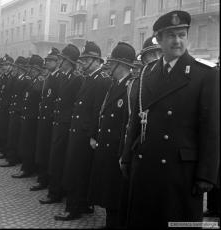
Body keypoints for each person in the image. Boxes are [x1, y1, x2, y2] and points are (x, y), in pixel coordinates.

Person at [120, 10, 219, 228]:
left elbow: (211, 129)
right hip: (146, 167)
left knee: (178, 223)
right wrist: (127, 155)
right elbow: (137, 119)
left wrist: (207, 175)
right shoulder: (148, 72)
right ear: (160, 40)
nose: (177, 41)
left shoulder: (204, 74)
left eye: (182, 35)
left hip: (181, 173)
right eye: (171, 35)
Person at [54, 41, 111, 221]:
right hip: (79, 130)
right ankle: (83, 203)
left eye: (86, 59)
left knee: (78, 171)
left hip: (85, 134)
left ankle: (74, 208)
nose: (83, 62)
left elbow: (97, 111)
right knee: (78, 170)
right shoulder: (90, 78)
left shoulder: (101, 80)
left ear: (96, 60)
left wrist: (93, 135)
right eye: (83, 59)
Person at [87, 42, 136, 228]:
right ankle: (110, 223)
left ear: (121, 65)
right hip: (106, 147)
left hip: (117, 149)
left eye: (112, 63)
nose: (109, 66)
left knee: (116, 194)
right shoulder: (115, 85)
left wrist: (123, 153)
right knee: (108, 192)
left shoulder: (131, 87)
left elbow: (129, 124)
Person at [39, 44, 83, 205]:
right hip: (58, 122)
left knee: (60, 160)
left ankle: (56, 193)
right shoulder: (64, 77)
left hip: (66, 124)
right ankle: (55, 191)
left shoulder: (77, 78)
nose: (60, 62)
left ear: (69, 61)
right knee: (56, 158)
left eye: (62, 59)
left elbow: (76, 104)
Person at [30, 48, 62, 191]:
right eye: (47, 60)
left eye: (50, 60)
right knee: (43, 149)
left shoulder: (59, 78)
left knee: (50, 152)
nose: (47, 62)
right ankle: (42, 179)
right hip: (44, 118)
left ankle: (47, 180)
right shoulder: (49, 76)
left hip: (52, 120)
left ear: (57, 62)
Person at [12, 55, 45, 177]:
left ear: (35, 69)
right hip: (28, 115)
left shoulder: (40, 81)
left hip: (33, 117)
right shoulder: (34, 80)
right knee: (26, 143)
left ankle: (27, 169)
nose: (28, 70)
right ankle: (26, 167)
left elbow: (35, 94)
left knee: (29, 144)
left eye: (30, 68)